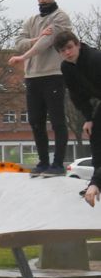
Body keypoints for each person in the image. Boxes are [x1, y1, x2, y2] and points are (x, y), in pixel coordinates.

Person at [8, 0, 72, 175]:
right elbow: (18, 42)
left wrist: (23, 56)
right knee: (35, 120)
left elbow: (47, 42)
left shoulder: (60, 18)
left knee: (57, 121)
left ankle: (58, 163)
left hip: (53, 74)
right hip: (32, 76)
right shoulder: (32, 20)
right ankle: (43, 162)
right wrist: (34, 39)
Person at [53, 30, 101, 206]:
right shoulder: (66, 67)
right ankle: (95, 183)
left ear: (78, 45)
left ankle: (97, 182)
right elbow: (77, 95)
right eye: (62, 50)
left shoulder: (95, 59)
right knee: (94, 134)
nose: (67, 53)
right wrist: (89, 118)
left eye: (70, 47)